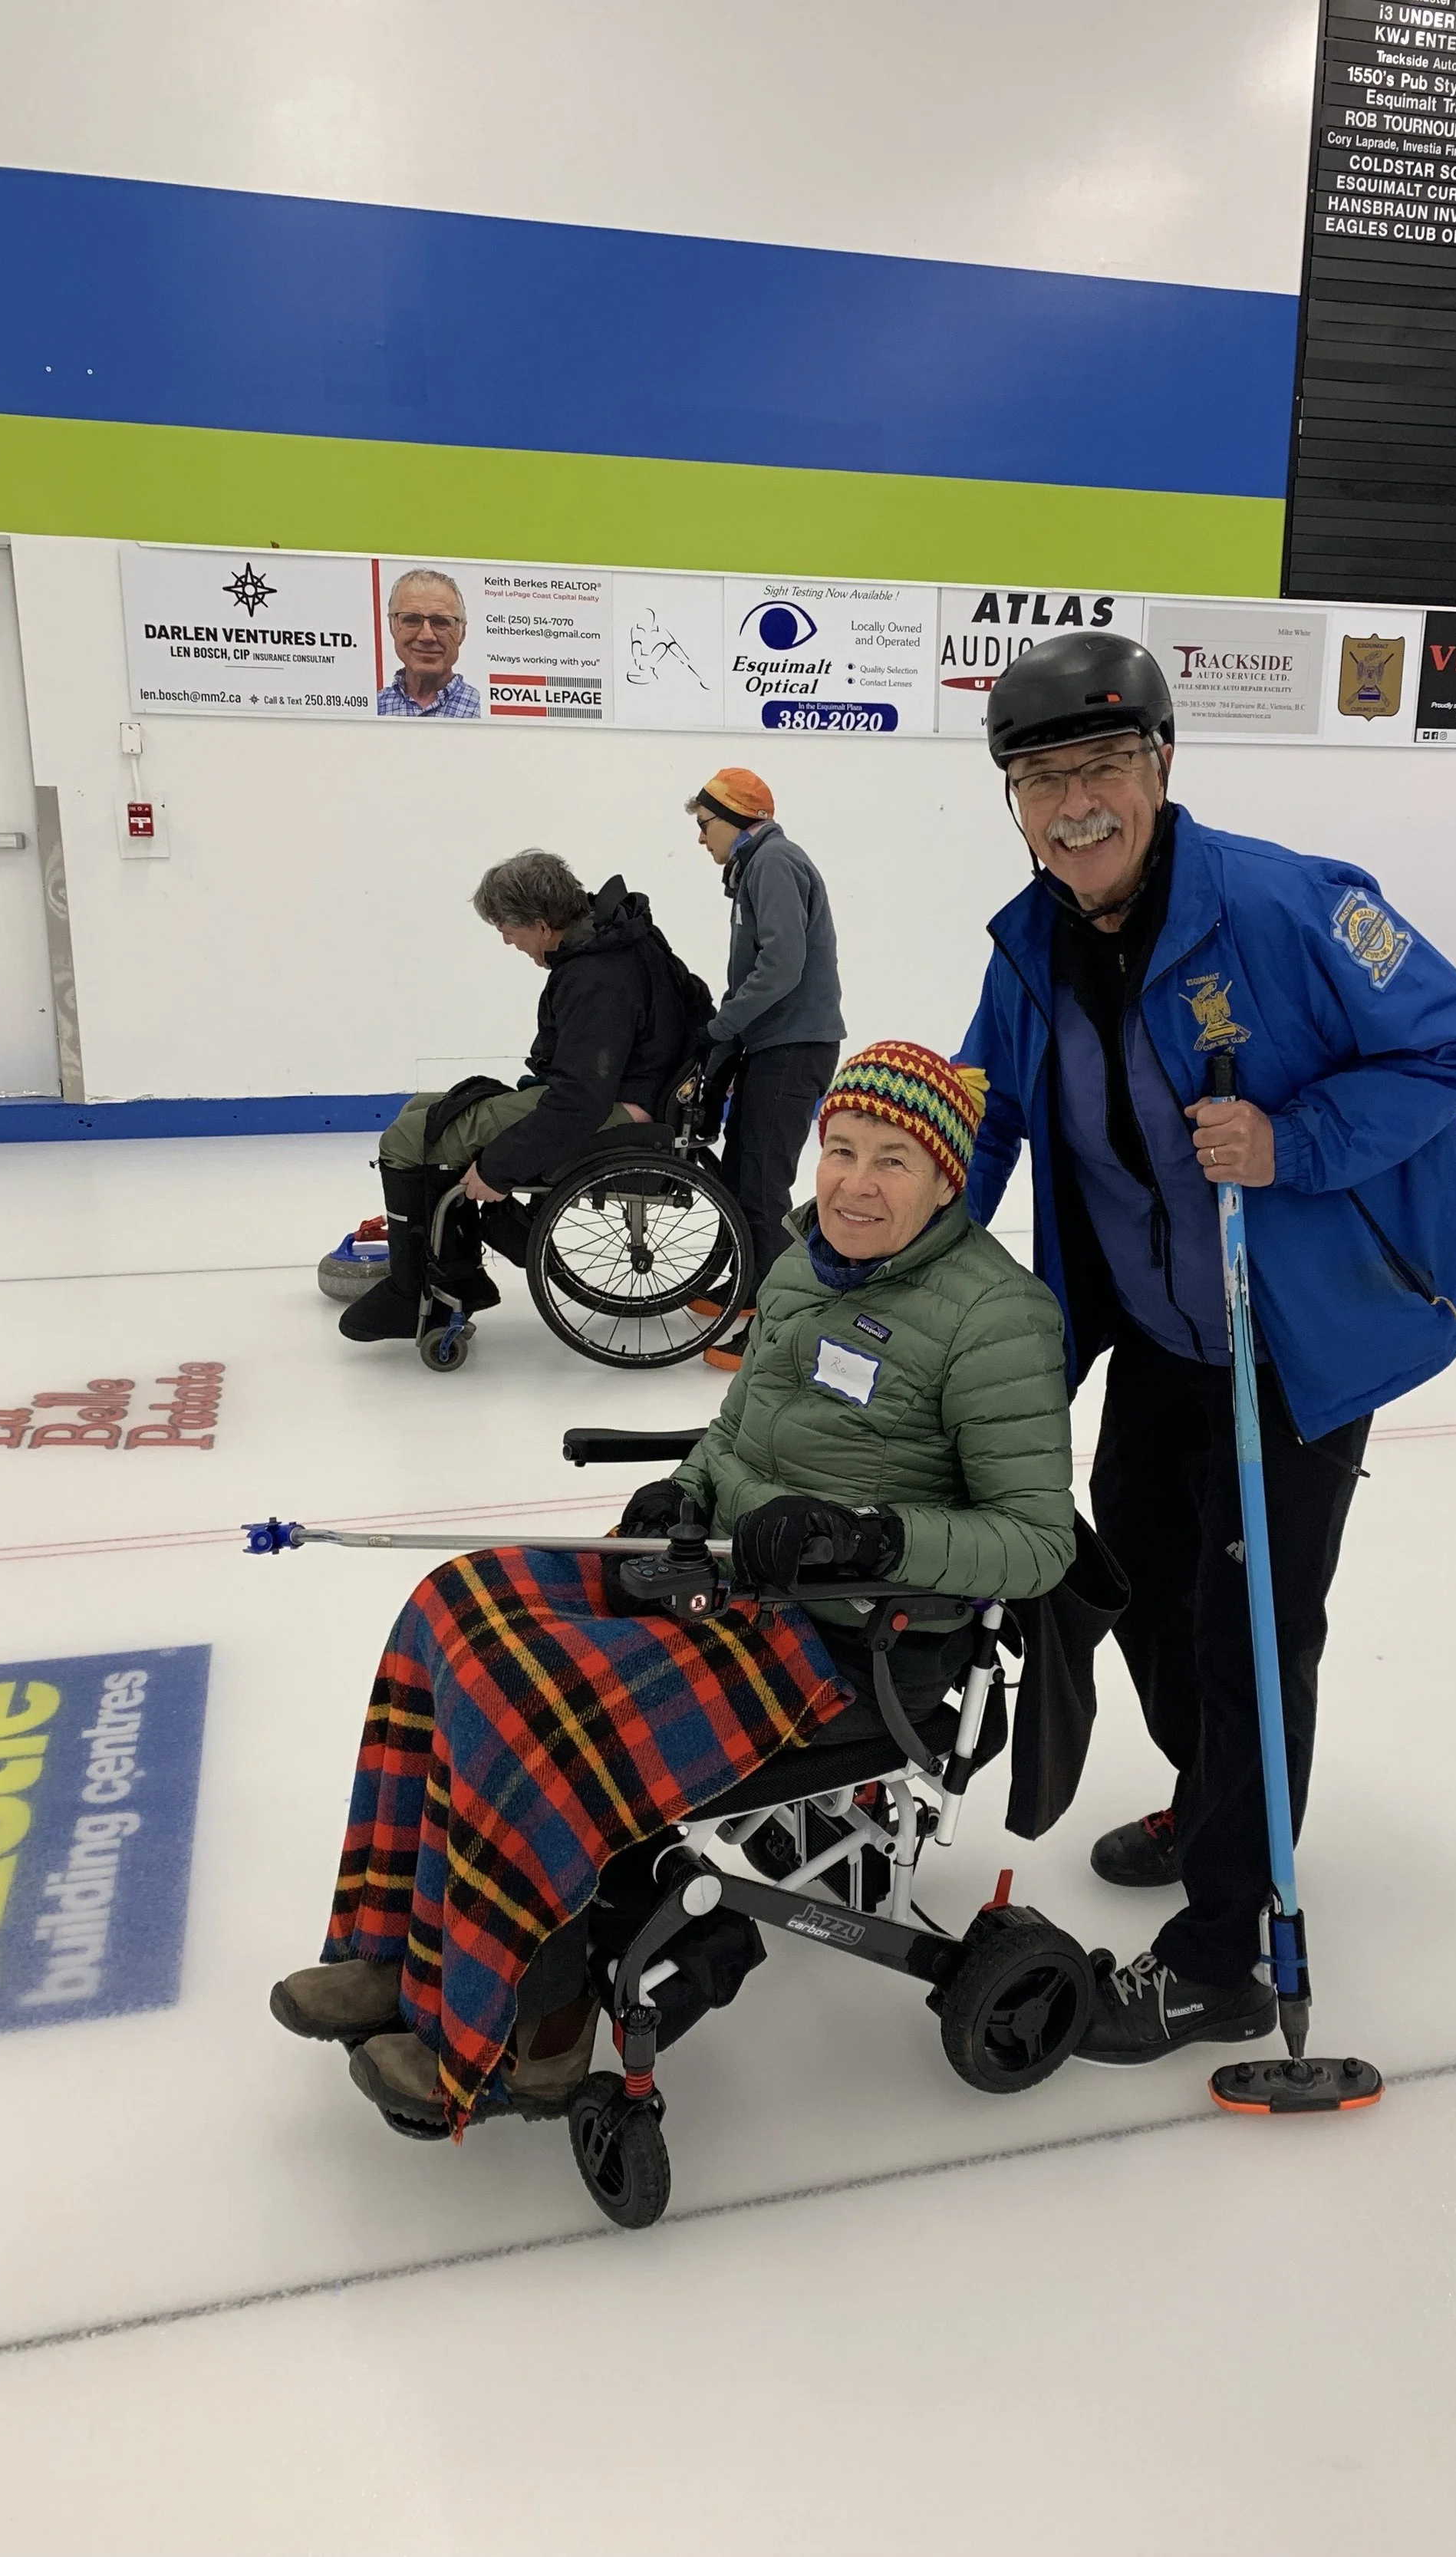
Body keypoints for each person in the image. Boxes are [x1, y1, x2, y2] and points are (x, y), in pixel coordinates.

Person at [271, 1041, 1075, 2131]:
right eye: (841, 1150)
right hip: (722, 1579)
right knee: (452, 1607)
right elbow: (737, 1429)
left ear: (948, 1179)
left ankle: (535, 2041)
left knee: (532, 1701)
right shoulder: (803, 1260)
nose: (855, 1182)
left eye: (893, 1160)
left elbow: (1034, 1545)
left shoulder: (997, 1317)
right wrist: (682, 1490)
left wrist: (869, 1533)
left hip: (846, 1644)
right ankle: (393, 1954)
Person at [957, 631, 1456, 2066]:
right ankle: (1220, 1794)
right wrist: (881, 1261)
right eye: (1041, 777)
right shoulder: (1030, 951)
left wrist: (1291, 1139)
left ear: (1162, 766)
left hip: (1296, 1331)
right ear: (1012, 801)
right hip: (1160, 1335)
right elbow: (984, 1119)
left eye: (1101, 765)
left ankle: (1224, 1952)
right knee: (1126, 1558)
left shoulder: (1294, 905)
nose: (1074, 802)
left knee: (1249, 1619)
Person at [338, 848, 706, 1343]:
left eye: (506, 928)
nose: (506, 939)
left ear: (541, 924)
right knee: (422, 1109)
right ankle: (451, 1275)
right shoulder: (615, 938)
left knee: (406, 1139)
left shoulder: (599, 976)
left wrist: (497, 1168)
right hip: (623, 1091)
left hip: (613, 1109)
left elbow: (579, 1100)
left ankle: (413, 1295)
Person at [686, 769, 845, 1371]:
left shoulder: (774, 862)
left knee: (760, 1185)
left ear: (735, 819)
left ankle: (781, 1328)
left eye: (705, 826)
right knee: (741, 1172)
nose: (701, 839)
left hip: (793, 1047)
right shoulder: (757, 867)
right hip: (776, 1044)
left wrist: (720, 1028)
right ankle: (753, 1288)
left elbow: (781, 966)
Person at [376, 568, 480, 718]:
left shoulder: (484, 712)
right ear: (392, 627)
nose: (427, 636)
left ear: (462, 632)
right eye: (412, 620)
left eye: (441, 622)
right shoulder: (373, 709)